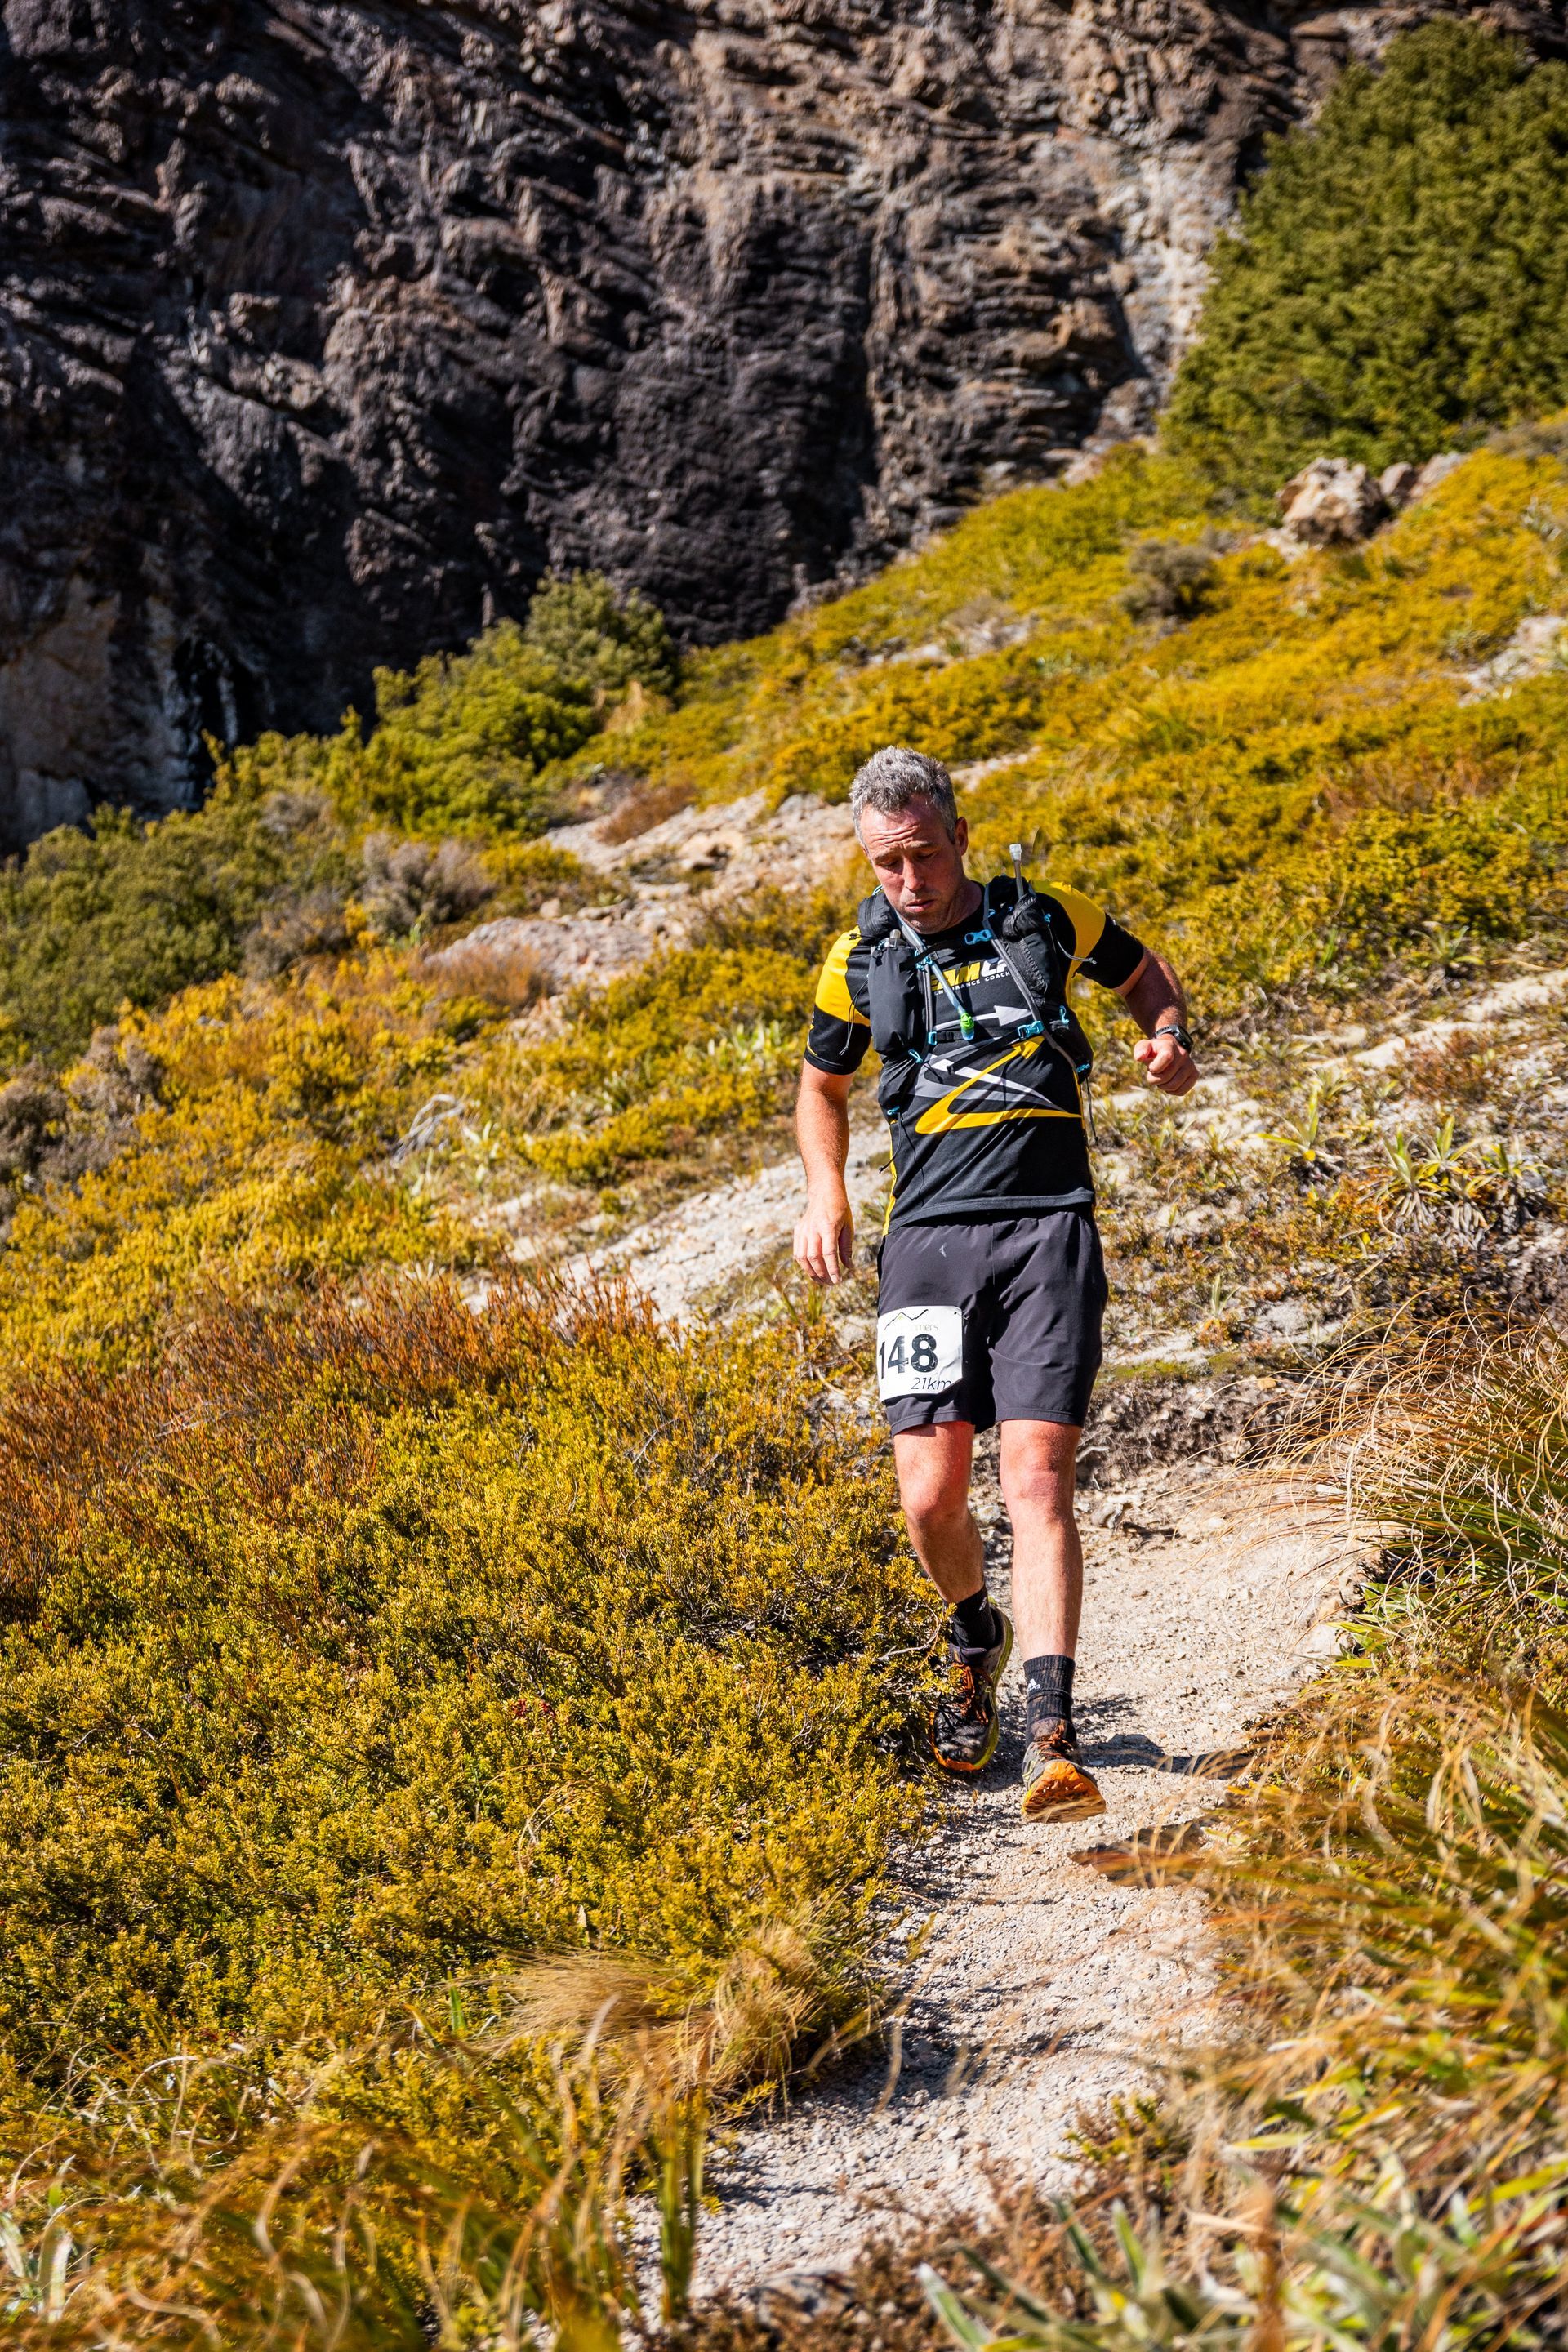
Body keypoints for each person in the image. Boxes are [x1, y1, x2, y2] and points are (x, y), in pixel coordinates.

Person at [793, 745, 1197, 1821]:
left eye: (925, 856)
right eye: (886, 864)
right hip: (926, 1243)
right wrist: (826, 1193)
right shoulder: (858, 958)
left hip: (1048, 1228)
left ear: (960, 836)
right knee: (928, 1496)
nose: (909, 882)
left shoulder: (1042, 918)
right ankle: (975, 1634)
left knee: (1037, 1480)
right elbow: (822, 1087)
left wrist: (1166, 1037)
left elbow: (1144, 973)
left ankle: (1054, 1737)